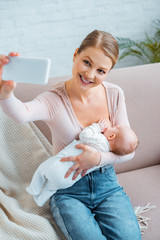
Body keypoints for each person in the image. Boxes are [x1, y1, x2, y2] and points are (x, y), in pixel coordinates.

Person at [0, 30, 141, 240]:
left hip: (107, 186)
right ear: (75, 55)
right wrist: (5, 94)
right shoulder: (53, 100)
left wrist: (98, 159)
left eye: (101, 70)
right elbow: (21, 114)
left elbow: (129, 151)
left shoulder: (114, 94)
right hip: (69, 191)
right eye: (86, 62)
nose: (91, 74)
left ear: (109, 72)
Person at [26, 118, 138, 207]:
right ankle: (39, 200)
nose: (111, 126)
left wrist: (97, 127)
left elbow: (84, 135)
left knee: (41, 170)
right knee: (51, 188)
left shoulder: (100, 140)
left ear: (111, 136)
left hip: (58, 167)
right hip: (67, 181)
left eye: (113, 127)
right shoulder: (105, 157)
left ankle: (33, 189)